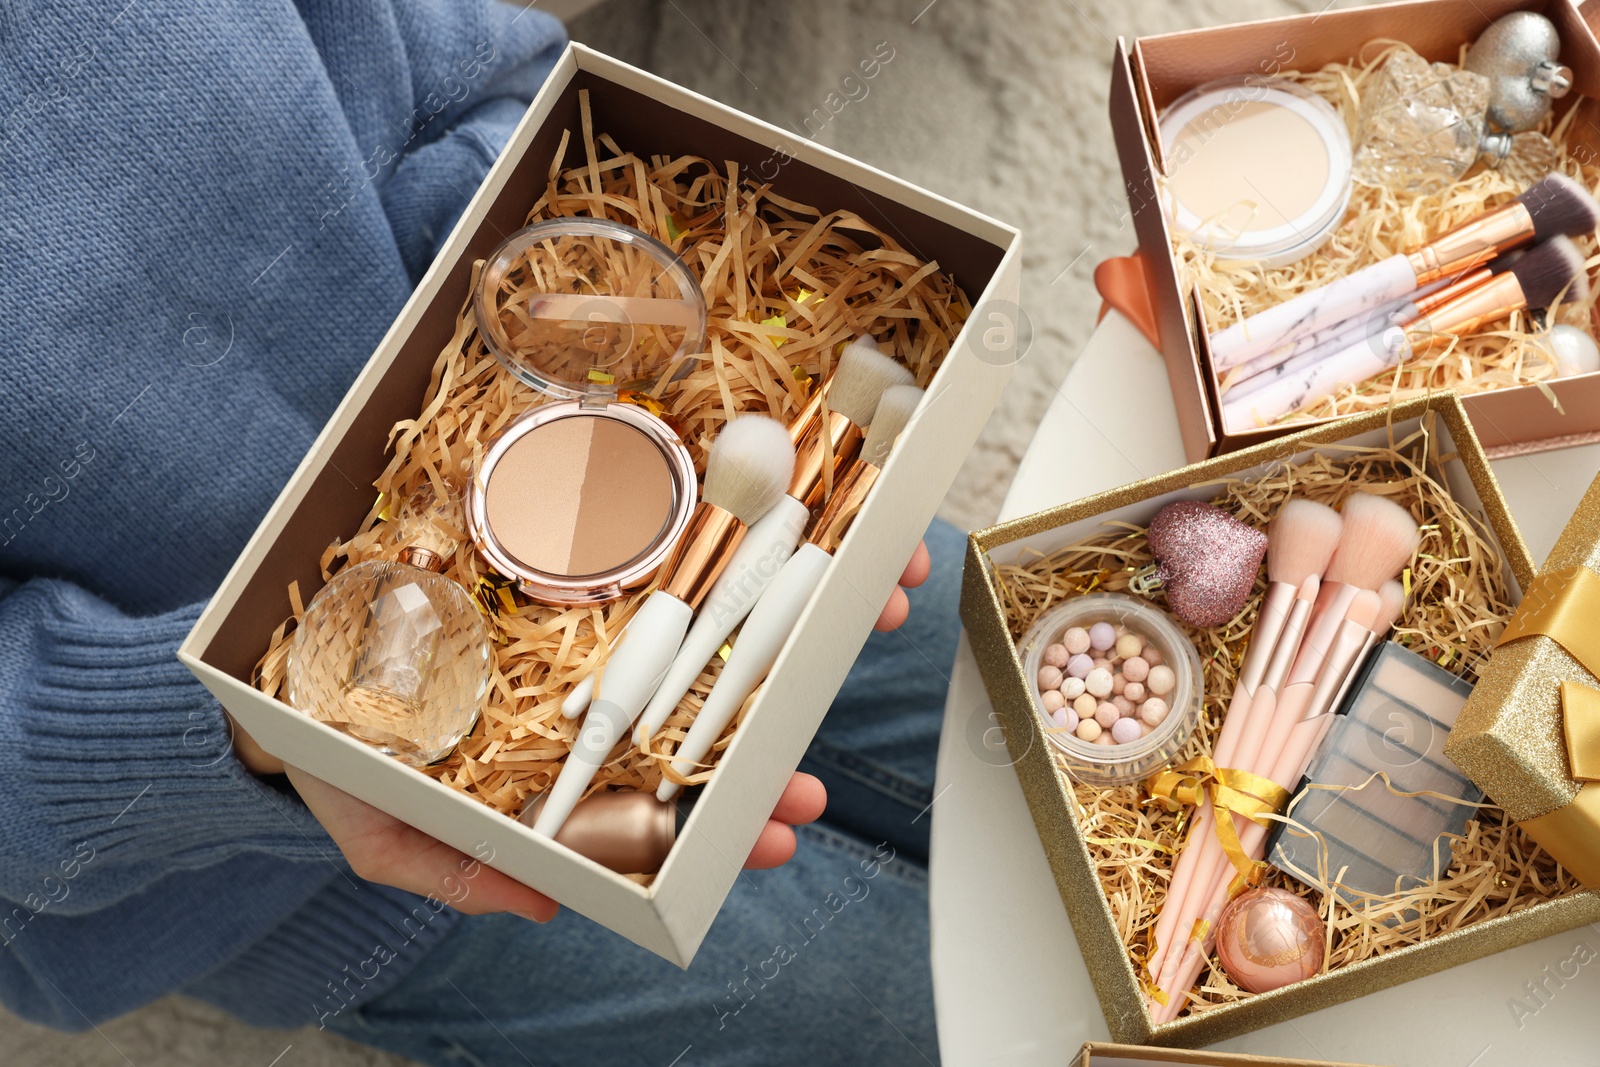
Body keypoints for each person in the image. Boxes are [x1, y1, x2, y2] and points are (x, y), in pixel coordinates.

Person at [0, 2, 962, 1063]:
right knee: (920, 1020)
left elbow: (455, 78)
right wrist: (256, 727)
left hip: (555, 448)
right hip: (251, 863)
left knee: (1036, 684)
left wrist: (524, 280)